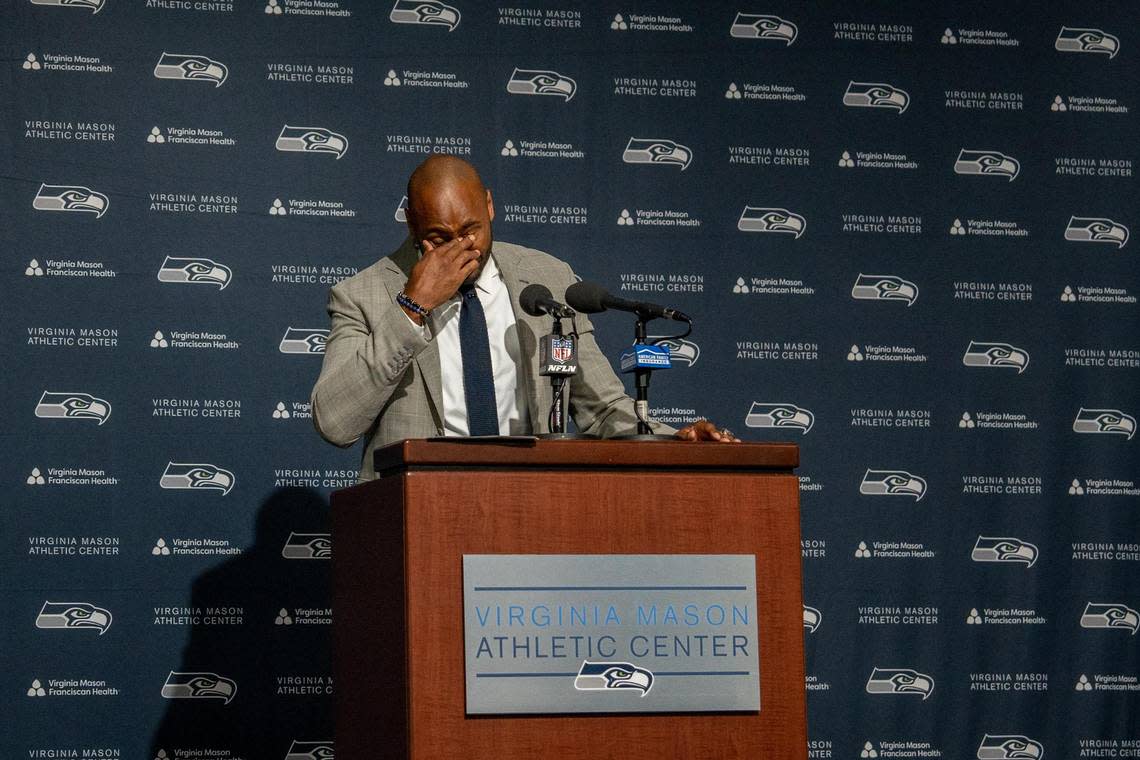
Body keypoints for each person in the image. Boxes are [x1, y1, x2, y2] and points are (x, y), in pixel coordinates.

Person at [311, 155, 735, 478]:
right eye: (440, 237)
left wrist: (673, 440)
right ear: (410, 224)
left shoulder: (548, 281)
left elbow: (602, 409)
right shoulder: (363, 294)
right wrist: (412, 307)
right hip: (419, 512)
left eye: (470, 230)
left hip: (529, 503)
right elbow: (335, 422)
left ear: (491, 206)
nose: (462, 249)